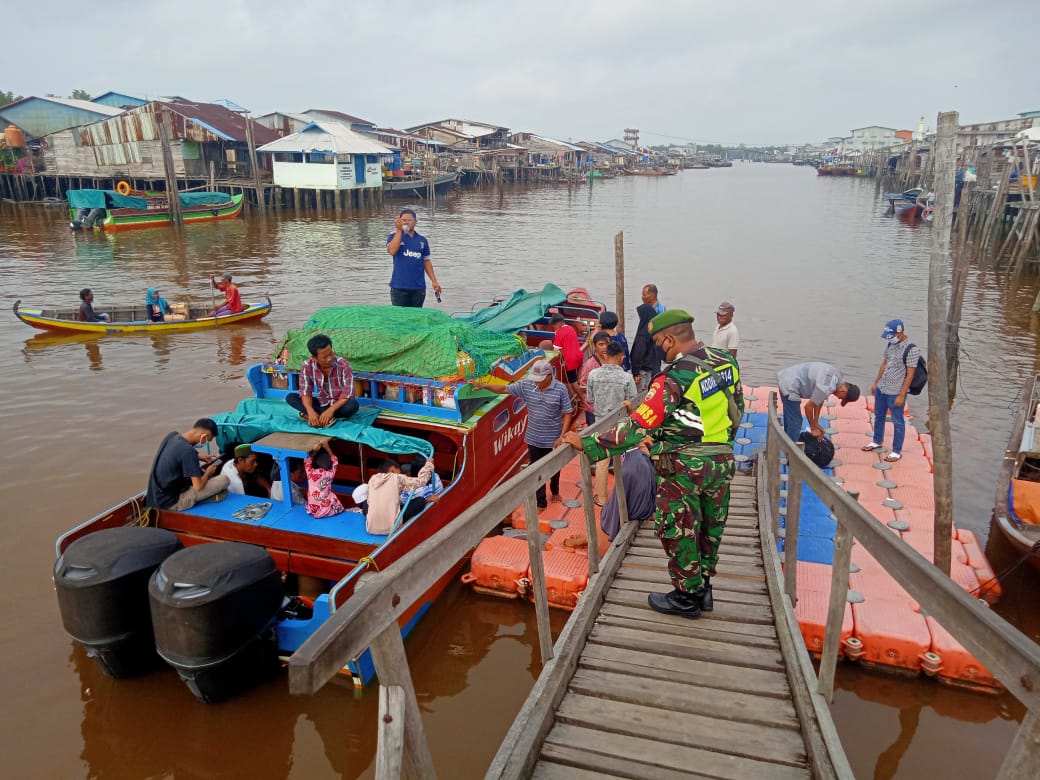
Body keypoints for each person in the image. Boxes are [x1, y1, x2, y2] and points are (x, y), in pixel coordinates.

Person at [561, 309, 743, 619]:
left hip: (684, 467)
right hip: (721, 459)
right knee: (711, 528)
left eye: (659, 342)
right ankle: (704, 589)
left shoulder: (674, 376)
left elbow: (638, 425)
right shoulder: (725, 361)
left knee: (680, 530)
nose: (659, 348)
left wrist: (588, 443)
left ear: (669, 339)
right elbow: (734, 408)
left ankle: (686, 598)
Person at [473, 359, 573, 509]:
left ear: (549, 376)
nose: (536, 383)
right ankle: (541, 501)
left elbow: (567, 412)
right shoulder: (526, 385)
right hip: (533, 437)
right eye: (535, 380)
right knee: (535, 469)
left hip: (553, 439)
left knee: (554, 468)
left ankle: (555, 490)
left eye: (540, 380)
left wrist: (562, 436)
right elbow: (503, 389)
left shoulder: (560, 389)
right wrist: (485, 385)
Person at [586, 341, 638, 504]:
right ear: (622, 358)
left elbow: (590, 399)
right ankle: (625, 498)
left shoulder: (593, 375)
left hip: (601, 423)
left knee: (602, 462)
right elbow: (633, 402)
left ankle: (602, 499)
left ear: (605, 354)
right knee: (625, 461)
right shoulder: (627, 378)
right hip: (621, 424)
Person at [863, 319, 921, 463]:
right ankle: (877, 440)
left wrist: (902, 394)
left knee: (898, 421)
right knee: (879, 415)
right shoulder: (890, 344)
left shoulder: (911, 349)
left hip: (896, 390)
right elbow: (884, 364)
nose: (891, 338)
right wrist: (876, 382)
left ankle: (896, 450)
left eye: (892, 335)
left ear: (900, 332)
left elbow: (910, 374)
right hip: (883, 387)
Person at [145, 418, 229, 510]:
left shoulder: (172, 436)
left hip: (155, 496)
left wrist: (199, 456)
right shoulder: (189, 452)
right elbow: (198, 486)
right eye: (207, 440)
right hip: (171, 502)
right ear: (204, 436)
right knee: (224, 480)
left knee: (198, 473)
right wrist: (208, 473)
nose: (205, 443)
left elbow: (179, 451)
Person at [286, 333, 360, 426]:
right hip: (321, 403)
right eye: (324, 357)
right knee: (291, 397)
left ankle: (320, 417)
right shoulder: (307, 366)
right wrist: (310, 411)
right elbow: (305, 392)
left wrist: (330, 411)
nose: (329, 359)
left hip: (338, 406)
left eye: (330, 354)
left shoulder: (343, 364)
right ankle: (317, 416)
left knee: (353, 405)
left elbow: (347, 394)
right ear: (314, 358)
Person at [776, 362, 861, 442]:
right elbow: (808, 407)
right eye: (842, 398)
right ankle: (792, 453)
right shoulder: (827, 386)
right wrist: (813, 428)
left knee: (791, 419)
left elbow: (819, 400)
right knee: (795, 421)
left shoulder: (838, 378)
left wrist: (816, 422)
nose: (839, 399)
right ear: (843, 391)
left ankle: (788, 444)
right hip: (790, 384)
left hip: (789, 377)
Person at [599, 444, 657, 541]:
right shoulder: (644, 459)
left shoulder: (627, 470)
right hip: (646, 511)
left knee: (609, 511)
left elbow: (616, 506)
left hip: (634, 514)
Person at [386, 208, 441, 307]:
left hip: (418, 289)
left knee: (416, 317)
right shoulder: (393, 236)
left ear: (415, 222)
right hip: (399, 288)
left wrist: (434, 281)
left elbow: (426, 261)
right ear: (399, 221)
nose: (406, 222)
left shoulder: (422, 240)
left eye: (409, 220)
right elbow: (392, 251)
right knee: (400, 318)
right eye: (404, 220)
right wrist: (399, 230)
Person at [366, 458, 435, 534]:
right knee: (420, 501)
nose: (401, 473)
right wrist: (429, 465)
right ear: (392, 469)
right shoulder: (396, 477)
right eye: (399, 471)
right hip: (392, 527)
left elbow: (369, 502)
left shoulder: (372, 480)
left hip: (371, 528)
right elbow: (421, 481)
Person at [629, 300, 663, 394]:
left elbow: (638, 354)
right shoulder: (656, 332)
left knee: (640, 394)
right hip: (654, 369)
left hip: (643, 371)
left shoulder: (643, 335)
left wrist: (635, 371)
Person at [305, 440, 344, 518]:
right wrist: (327, 447)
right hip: (326, 509)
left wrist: (314, 452)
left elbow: (307, 461)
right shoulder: (329, 474)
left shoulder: (310, 473)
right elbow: (335, 461)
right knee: (332, 496)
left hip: (313, 508)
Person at [579, 331, 611, 426]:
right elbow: (583, 387)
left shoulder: (613, 360)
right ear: (594, 346)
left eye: (607, 344)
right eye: (601, 344)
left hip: (609, 407)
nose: (605, 347)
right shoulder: (590, 364)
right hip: (593, 409)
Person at [548, 312, 583, 388]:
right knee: (577, 379)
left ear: (558, 324)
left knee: (573, 382)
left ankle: (581, 399)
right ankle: (578, 396)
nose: (553, 328)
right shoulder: (571, 328)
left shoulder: (559, 332)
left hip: (571, 360)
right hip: (579, 356)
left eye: (553, 326)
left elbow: (556, 350)